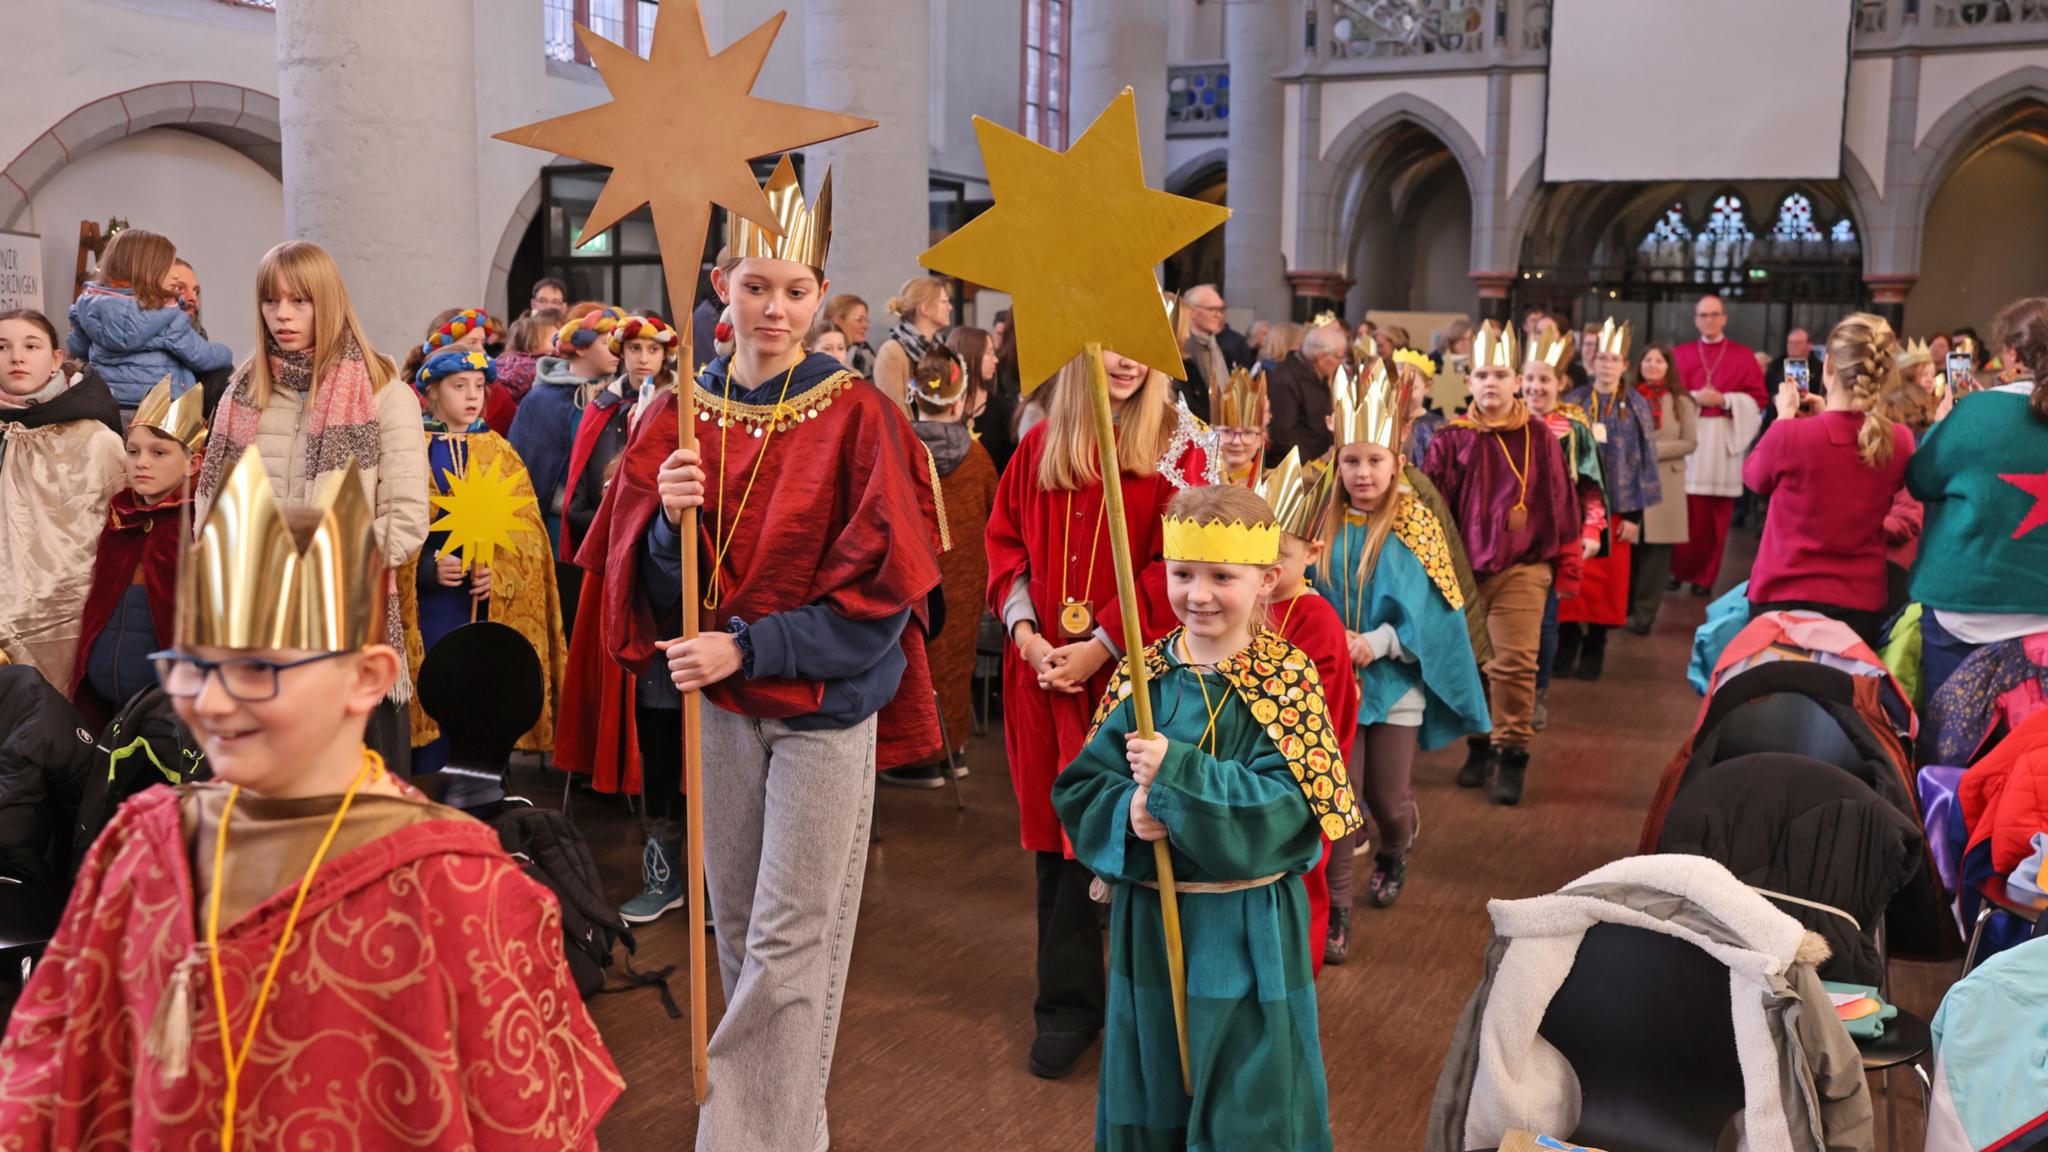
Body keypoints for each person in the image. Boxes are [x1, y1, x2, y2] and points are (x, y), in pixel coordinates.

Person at [0, 446, 621, 1148]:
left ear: (365, 678)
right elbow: (54, 1071)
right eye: (199, 664)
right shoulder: (141, 846)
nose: (214, 702)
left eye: (262, 668)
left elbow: (528, 1123)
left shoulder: (464, 888)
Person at [581, 157, 944, 1150]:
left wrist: (746, 645)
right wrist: (667, 523)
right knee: (738, 933)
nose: (773, 309)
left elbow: (879, 596)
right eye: (754, 287)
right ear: (719, 291)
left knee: (791, 943)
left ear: (820, 295)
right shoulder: (678, 415)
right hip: (723, 710)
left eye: (793, 290)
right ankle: (792, 1135)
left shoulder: (860, 415)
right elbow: (651, 584)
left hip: (822, 702)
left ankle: (737, 1140)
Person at [1050, 481, 1359, 1152]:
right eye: (1183, 573)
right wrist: (1129, 813)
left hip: (1244, 929)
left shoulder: (1288, 679)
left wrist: (1178, 777)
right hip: (1150, 929)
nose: (1198, 594)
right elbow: (1080, 790)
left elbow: (1291, 811)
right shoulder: (1143, 675)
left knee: (1252, 1109)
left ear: (1267, 580)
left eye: (1223, 576)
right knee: (1153, 1090)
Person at [984, 343, 1212, 1082]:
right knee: (1060, 850)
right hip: (1044, 674)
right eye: (1108, 342)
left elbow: (1177, 567)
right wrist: (1025, 633)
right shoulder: (1045, 440)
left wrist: (1103, 643)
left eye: (1140, 344)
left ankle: (1153, 1007)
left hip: (1135, 680)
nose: (1125, 361)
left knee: (1142, 841)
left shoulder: (1182, 448)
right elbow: (1006, 543)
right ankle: (1067, 1006)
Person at [194, 241, 430, 776]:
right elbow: (210, 518)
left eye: (299, 301)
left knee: (352, 820)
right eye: (270, 301)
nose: (282, 316)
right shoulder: (242, 394)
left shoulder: (384, 392)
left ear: (328, 301)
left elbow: (406, 519)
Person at [1316, 363, 1485, 946]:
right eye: (1351, 461)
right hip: (1330, 678)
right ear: (1336, 464)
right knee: (1339, 802)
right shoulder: (1319, 518)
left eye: (1375, 461)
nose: (1363, 473)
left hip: (1393, 678)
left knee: (1387, 800)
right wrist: (1329, 638)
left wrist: (1377, 642)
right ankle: (1337, 912)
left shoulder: (1414, 521)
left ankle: (1396, 847)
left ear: (1399, 463)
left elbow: (1434, 612)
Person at [1422, 321, 1577, 806]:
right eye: (1482, 374)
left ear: (1517, 382)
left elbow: (1560, 502)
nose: (1491, 382)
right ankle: (1480, 743)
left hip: (1523, 567)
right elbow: (1431, 512)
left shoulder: (1541, 437)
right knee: (1474, 664)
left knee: (1515, 663)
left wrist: (1565, 566)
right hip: (1464, 571)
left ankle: (1513, 753)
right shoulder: (1450, 439)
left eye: (1501, 374)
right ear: (1469, 382)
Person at [399, 348, 566, 783]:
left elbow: (528, 540)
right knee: (436, 693)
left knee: (480, 700)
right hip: (433, 609)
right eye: (459, 387)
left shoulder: (500, 452)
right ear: (431, 393)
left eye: (478, 387)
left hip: (483, 608)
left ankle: (482, 796)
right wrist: (428, 568)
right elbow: (394, 529)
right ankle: (430, 795)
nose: (472, 396)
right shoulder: (411, 451)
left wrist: (503, 574)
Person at [1907, 297, 2048, 703]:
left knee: (1947, 736)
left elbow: (1920, 481)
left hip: (1967, 604)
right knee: (2029, 751)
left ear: (2012, 353)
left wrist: (1941, 425)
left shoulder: (1975, 411)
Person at [1743, 314, 1915, 647]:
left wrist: (1783, 418)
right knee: (1842, 697)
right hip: (1859, 601)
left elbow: (1754, 478)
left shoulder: (1789, 434)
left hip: (1782, 594)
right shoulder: (1900, 440)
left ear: (1829, 368)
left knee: (1778, 697)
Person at [1254, 451, 1351, 971]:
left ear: (1311, 552)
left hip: (1294, 783)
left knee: (1295, 889)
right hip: (1246, 780)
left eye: (1280, 557)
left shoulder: (1316, 620)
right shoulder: (1246, 603)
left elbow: (1322, 722)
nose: (1266, 570)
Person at [0, 309, 126, 689]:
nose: (16, 357)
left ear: (56, 359)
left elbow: (119, 528)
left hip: (62, 612)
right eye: (2, 347)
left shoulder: (95, 437)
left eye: (31, 346)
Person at [73, 377, 207, 712]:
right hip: (103, 702)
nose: (141, 462)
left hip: (165, 709)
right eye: (132, 451)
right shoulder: (120, 516)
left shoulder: (198, 525)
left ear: (193, 463)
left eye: (159, 452)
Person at [900, 342, 998, 787]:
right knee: (958, 660)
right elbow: (996, 512)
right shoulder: (977, 458)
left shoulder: (900, 450)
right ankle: (953, 750)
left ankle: (917, 758)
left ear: (912, 396)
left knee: (913, 663)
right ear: (960, 401)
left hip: (913, 575)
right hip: (965, 575)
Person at [1560, 319, 1660, 678]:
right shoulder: (1573, 400)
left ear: (1624, 364)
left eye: (1613, 358)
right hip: (1575, 512)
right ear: (1592, 361)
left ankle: (1594, 648)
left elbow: (1647, 461)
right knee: (1574, 580)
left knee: (1606, 588)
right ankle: (1568, 642)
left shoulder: (1635, 405)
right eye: (1601, 357)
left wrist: (1636, 517)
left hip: (1618, 513)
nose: (1605, 364)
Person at [507, 306, 624, 597]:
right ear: (581, 349)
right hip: (555, 526)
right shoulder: (541, 401)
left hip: (608, 521)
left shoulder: (622, 397)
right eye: (604, 341)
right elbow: (523, 471)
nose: (615, 350)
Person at [1521, 332, 1605, 719]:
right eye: (1530, 379)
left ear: (1561, 384)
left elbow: (1591, 486)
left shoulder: (1574, 428)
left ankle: (1538, 691)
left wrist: (1592, 530)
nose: (1537, 387)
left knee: (1546, 618)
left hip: (1556, 535)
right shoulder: (1508, 423)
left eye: (1545, 380)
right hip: (1510, 536)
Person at [65, 228, 234, 412]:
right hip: (157, 410)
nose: (175, 275)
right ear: (149, 271)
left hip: (106, 405)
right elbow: (200, 355)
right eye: (168, 268)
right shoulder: (168, 313)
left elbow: (78, 348)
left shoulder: (87, 305)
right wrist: (226, 353)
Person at [1670, 293, 1767, 595]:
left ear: (1724, 318)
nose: (1708, 320)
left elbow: (1759, 400)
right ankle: (1677, 572)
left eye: (1714, 314)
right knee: (1684, 514)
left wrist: (1724, 399)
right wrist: (1694, 399)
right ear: (1695, 320)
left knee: (1715, 519)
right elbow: (1669, 394)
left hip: (1724, 442)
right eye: (1702, 315)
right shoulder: (1681, 353)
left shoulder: (1742, 356)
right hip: (1690, 439)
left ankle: (1704, 579)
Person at [1625, 341, 1698, 634]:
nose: (1652, 365)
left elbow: (1690, 442)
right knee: (1630, 549)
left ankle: (1645, 615)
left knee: (1656, 555)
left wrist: (1650, 450)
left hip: (1665, 481)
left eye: (1659, 361)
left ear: (1669, 366)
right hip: (1629, 481)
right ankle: (1625, 607)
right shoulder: (1626, 397)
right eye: (1647, 360)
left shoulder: (1681, 401)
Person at [399, 308, 514, 436]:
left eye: (483, 343)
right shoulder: (406, 398)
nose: (483, 352)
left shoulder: (497, 394)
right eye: (472, 343)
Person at [1268, 322, 1346, 465]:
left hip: (1317, 460)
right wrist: (1307, 466)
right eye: (1338, 357)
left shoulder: (1316, 375)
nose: (1340, 363)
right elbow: (1283, 432)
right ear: (1322, 357)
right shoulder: (1286, 378)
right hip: (1300, 467)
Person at [873, 276, 953, 412]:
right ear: (925, 309)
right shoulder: (892, 352)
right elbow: (894, 414)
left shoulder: (942, 348)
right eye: (944, 302)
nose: (950, 308)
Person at [1210, 365, 1267, 486]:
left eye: (1247, 433)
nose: (1236, 441)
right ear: (1212, 434)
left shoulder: (1267, 484)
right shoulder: (1198, 481)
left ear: (1261, 439)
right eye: (1227, 431)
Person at [495, 307, 563, 408]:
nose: (558, 342)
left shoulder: (504, 360)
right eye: (553, 339)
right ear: (535, 344)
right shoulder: (536, 366)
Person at [1180, 283, 1233, 410]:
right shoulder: (1183, 347)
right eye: (1212, 309)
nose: (1219, 315)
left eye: (1221, 310)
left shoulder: (1219, 348)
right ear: (1192, 311)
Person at [823, 292, 875, 378]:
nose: (866, 326)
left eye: (866, 320)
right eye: (859, 320)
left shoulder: (863, 354)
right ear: (838, 321)